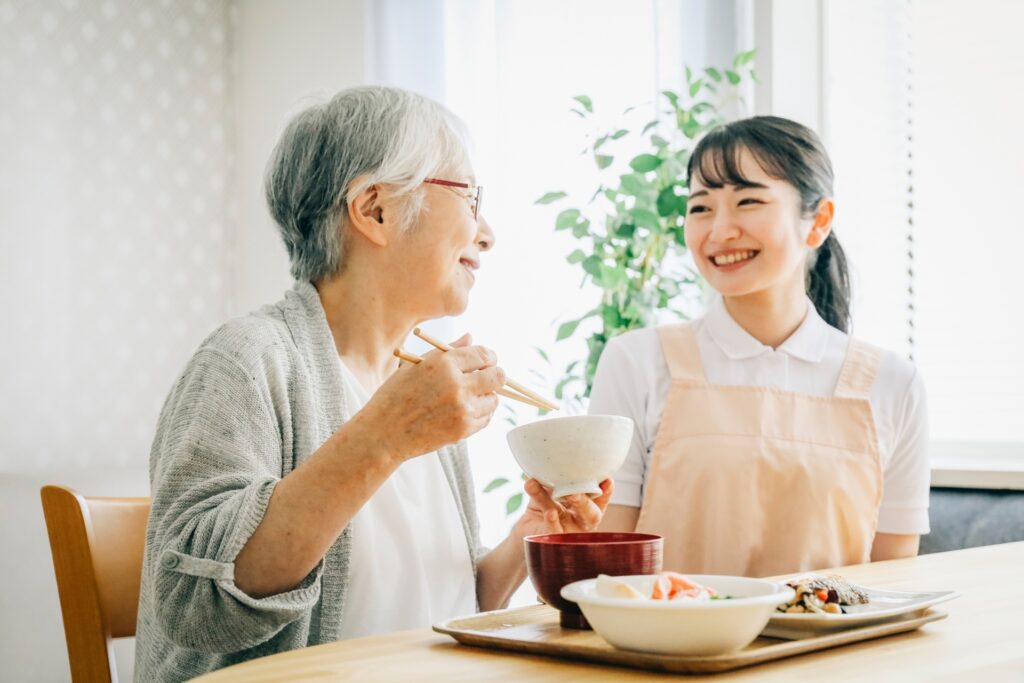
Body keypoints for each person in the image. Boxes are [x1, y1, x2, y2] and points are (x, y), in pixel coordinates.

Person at [134, 86, 611, 682]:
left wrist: (527, 538)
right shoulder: (248, 359)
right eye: (469, 197)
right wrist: (386, 437)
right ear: (375, 210)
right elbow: (194, 608)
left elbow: (440, 614)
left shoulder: (417, 386)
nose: (486, 233)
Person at [592, 116, 928, 577]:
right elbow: (610, 568)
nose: (720, 230)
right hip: (671, 645)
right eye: (701, 207)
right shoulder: (636, 362)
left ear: (819, 222)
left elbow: (894, 581)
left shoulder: (893, 383)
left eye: (748, 201)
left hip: (836, 649)